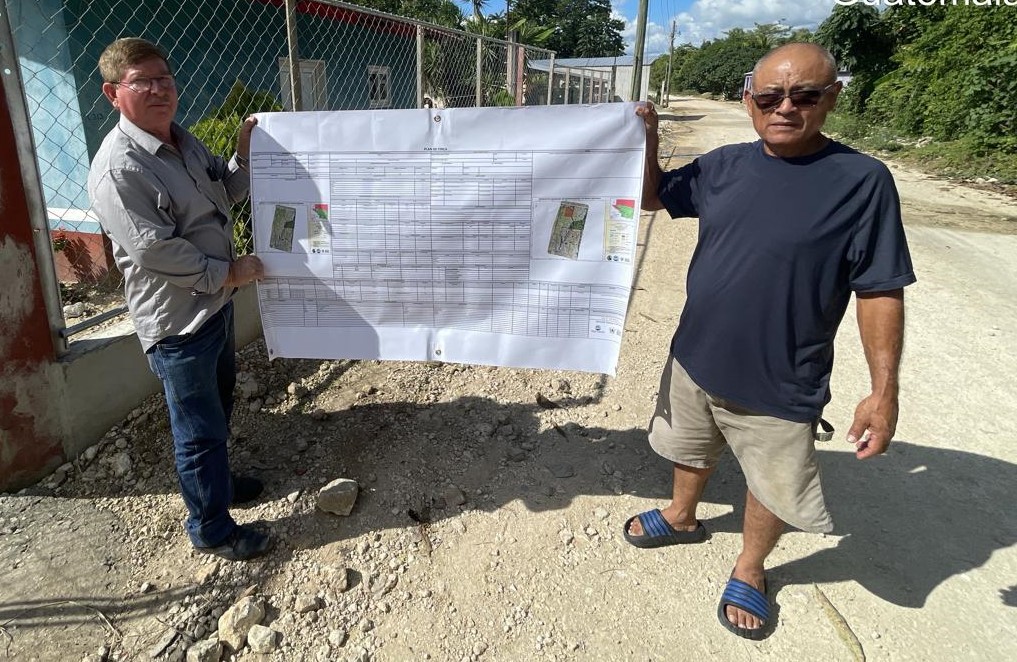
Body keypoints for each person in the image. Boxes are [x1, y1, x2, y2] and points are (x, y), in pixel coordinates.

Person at [624, 43, 915, 639]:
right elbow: (654, 197)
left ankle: (751, 567)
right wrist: (647, 139)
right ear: (748, 100)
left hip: (783, 375)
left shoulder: (862, 182)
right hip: (696, 354)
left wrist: (883, 391)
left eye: (804, 95)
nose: (785, 108)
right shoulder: (723, 166)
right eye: (770, 96)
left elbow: (880, 289)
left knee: (770, 479)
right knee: (689, 444)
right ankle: (681, 515)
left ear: (831, 98)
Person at [88, 38, 271, 561]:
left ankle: (221, 485)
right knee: (197, 430)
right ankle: (211, 529)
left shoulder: (182, 142)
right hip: (178, 322)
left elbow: (227, 189)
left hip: (215, 305)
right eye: (142, 82)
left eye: (164, 79)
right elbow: (154, 251)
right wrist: (229, 272)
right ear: (113, 94)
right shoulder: (120, 169)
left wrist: (243, 150)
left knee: (219, 406)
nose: (159, 90)